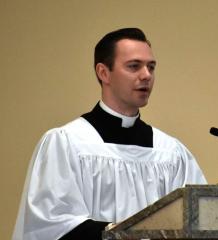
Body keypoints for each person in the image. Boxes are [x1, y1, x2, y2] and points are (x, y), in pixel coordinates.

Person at [12, 28, 207, 240]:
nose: (146, 75)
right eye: (134, 66)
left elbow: (202, 220)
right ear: (103, 73)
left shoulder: (171, 153)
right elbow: (52, 226)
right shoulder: (67, 143)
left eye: (151, 67)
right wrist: (125, 233)